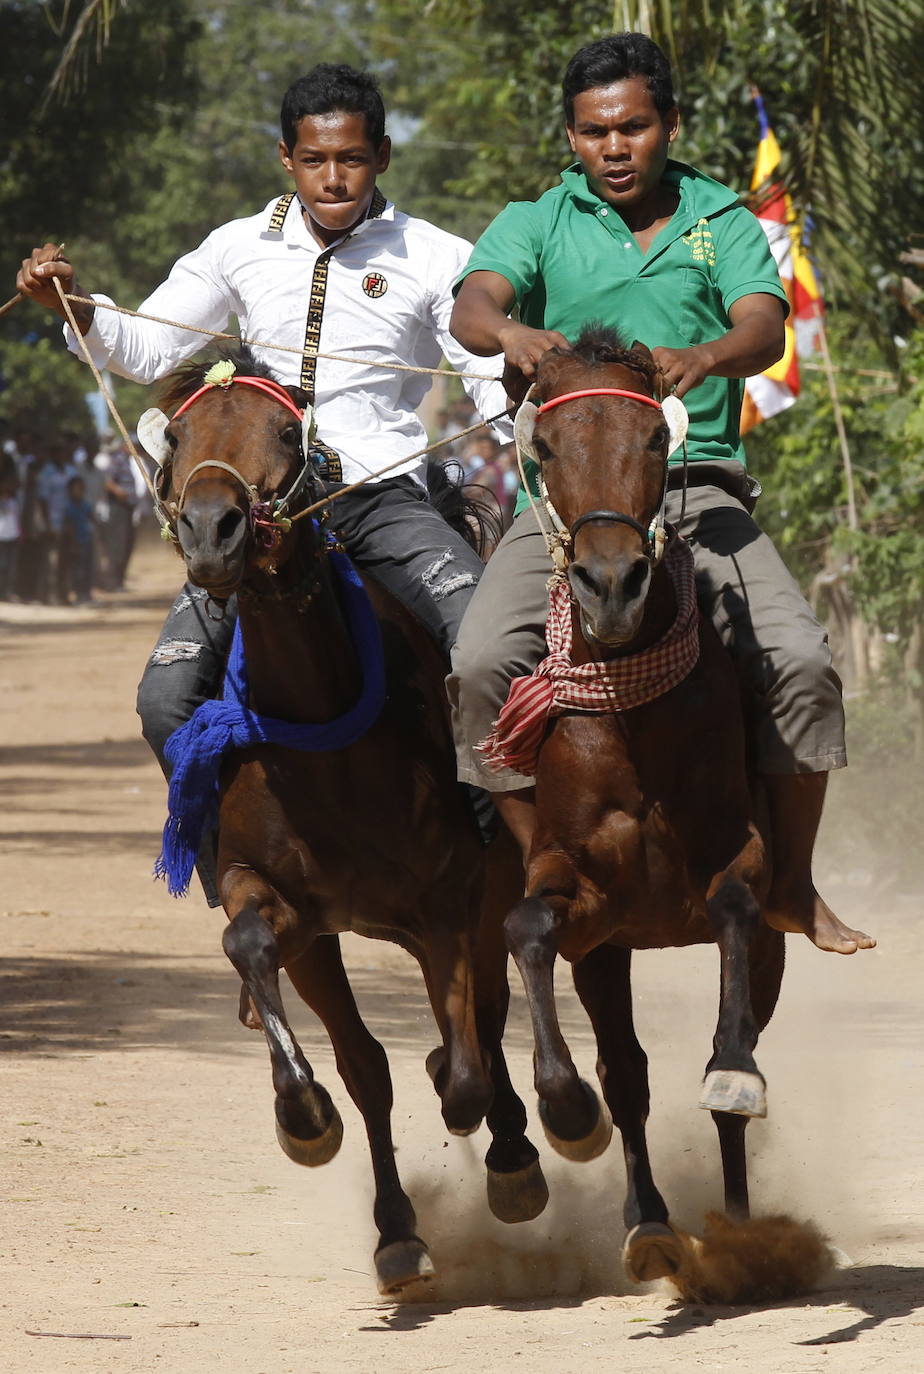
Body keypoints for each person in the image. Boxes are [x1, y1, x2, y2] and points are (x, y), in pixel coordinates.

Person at [16, 62, 509, 903]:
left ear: (383, 155)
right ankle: (234, 882)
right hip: (262, 518)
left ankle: (498, 860)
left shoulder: (437, 255)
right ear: (287, 157)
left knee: (486, 644)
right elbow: (144, 351)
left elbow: (486, 375)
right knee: (166, 699)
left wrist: (533, 429)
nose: (334, 178)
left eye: (351, 158)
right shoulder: (236, 247)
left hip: (386, 500)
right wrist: (80, 308)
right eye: (315, 160)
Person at [447, 32, 873, 956]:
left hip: (697, 488)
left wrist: (707, 354)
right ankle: (534, 853)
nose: (614, 147)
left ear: (668, 126)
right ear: (571, 135)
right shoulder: (535, 219)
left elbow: (765, 324)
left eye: (634, 127)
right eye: (595, 131)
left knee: (802, 662)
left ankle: (793, 881)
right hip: (564, 508)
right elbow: (470, 307)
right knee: (478, 663)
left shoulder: (719, 215)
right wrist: (510, 334)